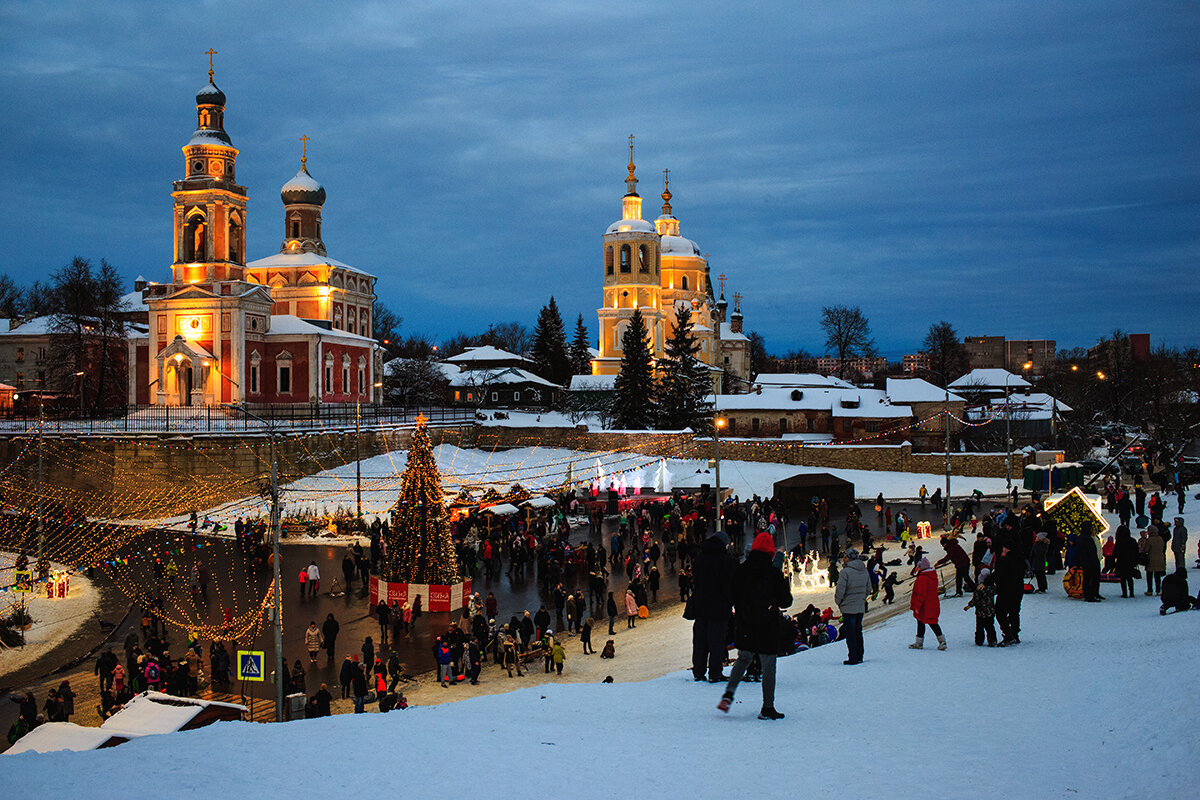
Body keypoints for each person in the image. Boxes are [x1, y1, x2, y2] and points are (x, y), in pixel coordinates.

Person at [717, 532, 792, 720]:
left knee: (743, 659)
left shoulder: (741, 571)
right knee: (769, 666)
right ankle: (767, 707)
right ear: (771, 552)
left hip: (745, 624)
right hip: (768, 625)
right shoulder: (774, 573)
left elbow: (731, 595)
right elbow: (786, 601)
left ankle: (728, 694)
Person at [690, 532, 736, 683]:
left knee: (700, 641)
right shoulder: (725, 560)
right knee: (716, 641)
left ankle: (698, 671)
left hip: (700, 606)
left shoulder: (700, 558)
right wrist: (730, 601)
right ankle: (715, 672)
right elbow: (728, 586)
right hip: (719, 607)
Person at [834, 548, 869, 665]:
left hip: (848, 607)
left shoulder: (845, 572)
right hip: (860, 606)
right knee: (858, 631)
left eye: (845, 557)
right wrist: (861, 599)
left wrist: (839, 602)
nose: (843, 559)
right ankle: (860, 656)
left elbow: (840, 591)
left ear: (849, 558)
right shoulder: (864, 570)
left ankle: (853, 657)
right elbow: (868, 588)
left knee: (850, 633)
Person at [909, 558, 947, 650]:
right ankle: (940, 641)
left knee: (925, 622)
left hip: (925, 605)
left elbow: (921, 594)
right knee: (929, 622)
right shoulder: (931, 576)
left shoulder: (922, 578)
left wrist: (917, 606)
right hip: (932, 603)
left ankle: (922, 642)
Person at [965, 567, 997, 646]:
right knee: (990, 627)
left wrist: (969, 606)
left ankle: (979, 640)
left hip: (980, 612)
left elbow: (975, 599)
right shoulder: (992, 587)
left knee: (980, 627)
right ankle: (992, 640)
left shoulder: (979, 588)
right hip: (990, 611)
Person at [1078, 520, 1104, 602]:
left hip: (1087, 561)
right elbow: (1091, 551)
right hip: (1090, 562)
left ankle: (1091, 594)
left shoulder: (1082, 537)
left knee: (1088, 579)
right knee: (1090, 579)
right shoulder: (1087, 538)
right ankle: (1089, 595)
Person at [1112, 525, 1139, 598]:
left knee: (1123, 578)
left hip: (1121, 562)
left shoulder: (1119, 541)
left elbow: (1115, 553)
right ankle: (1131, 593)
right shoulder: (1132, 541)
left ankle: (1124, 593)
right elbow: (1136, 552)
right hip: (1130, 562)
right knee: (1130, 578)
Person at [1144, 524, 1166, 596]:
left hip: (1151, 558)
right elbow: (1163, 547)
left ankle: (1150, 590)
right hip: (1160, 558)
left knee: (1149, 575)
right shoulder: (1160, 538)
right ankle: (1158, 590)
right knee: (1157, 576)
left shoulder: (1149, 540)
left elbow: (1146, 549)